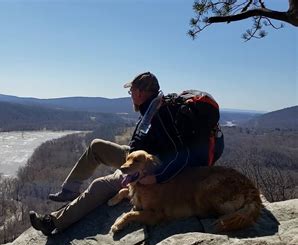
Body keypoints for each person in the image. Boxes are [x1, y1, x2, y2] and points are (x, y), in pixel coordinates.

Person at [29, 71, 224, 235]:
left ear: (141, 93)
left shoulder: (161, 114)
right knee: (97, 145)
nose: (130, 94)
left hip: (149, 168)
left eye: (132, 90)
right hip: (137, 156)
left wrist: (155, 178)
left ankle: (53, 222)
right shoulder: (153, 107)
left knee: (100, 185)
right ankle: (69, 190)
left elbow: (183, 156)